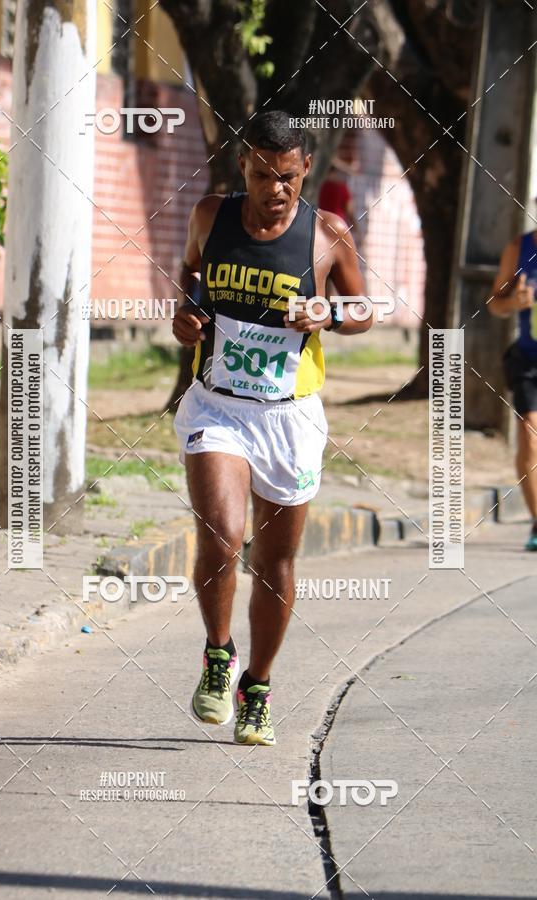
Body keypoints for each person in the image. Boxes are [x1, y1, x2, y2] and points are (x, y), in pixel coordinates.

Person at [171, 110, 372, 746]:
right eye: (262, 174)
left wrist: (328, 312)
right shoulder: (211, 215)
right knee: (223, 537)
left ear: (304, 168)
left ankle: (257, 686)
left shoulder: (327, 235)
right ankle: (217, 652)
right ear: (244, 166)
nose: (275, 190)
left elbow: (367, 309)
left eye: (286, 177)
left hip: (288, 416)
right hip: (218, 405)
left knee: (276, 559)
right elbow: (192, 279)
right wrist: (186, 317)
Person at [489, 229, 537, 550]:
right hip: (528, 360)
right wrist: (513, 301)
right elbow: (494, 303)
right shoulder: (519, 247)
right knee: (529, 433)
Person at [318, 161, 358, 236]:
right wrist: (356, 229)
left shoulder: (323, 186)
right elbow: (349, 211)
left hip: (322, 224)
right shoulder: (342, 188)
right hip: (337, 224)